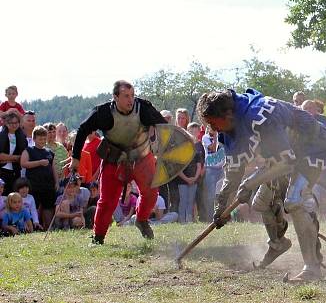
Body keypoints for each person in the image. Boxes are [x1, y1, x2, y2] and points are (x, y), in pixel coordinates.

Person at [197, 88, 326, 281]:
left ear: (227, 114)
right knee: (261, 203)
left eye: (212, 122)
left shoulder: (260, 114)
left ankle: (311, 268)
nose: (211, 128)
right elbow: (233, 172)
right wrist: (221, 206)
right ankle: (278, 243)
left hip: (313, 147)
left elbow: (285, 162)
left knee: (294, 201)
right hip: (286, 155)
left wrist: (250, 182)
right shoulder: (228, 127)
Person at [70, 80, 168, 245]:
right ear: (115, 97)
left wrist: (166, 147)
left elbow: (165, 128)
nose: (131, 100)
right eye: (126, 96)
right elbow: (82, 130)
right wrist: (75, 158)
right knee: (107, 201)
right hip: (114, 160)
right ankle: (98, 237)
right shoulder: (103, 112)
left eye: (132, 95)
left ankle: (142, 220)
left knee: (151, 192)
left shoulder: (143, 108)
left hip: (142, 157)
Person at [20, 126, 57, 230]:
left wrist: (56, 182)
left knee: (48, 207)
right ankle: (33, 227)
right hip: (34, 184)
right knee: (34, 207)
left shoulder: (49, 152)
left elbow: (53, 168)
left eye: (44, 139)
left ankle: (48, 228)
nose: (42, 141)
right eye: (40, 139)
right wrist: (39, 163)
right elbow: (23, 163)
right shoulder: (29, 150)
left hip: (48, 184)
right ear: (34, 139)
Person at [176, 123, 204, 224]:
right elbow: (178, 169)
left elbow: (199, 166)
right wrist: (186, 179)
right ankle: (181, 220)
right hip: (182, 181)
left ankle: (189, 220)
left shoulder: (197, 153)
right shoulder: (180, 153)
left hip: (194, 181)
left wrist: (195, 178)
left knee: (190, 201)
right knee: (183, 201)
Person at [199, 127, 225, 222]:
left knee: (222, 194)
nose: (213, 129)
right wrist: (215, 136)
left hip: (222, 169)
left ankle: (222, 216)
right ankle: (210, 218)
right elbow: (213, 149)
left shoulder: (222, 136)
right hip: (211, 169)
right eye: (211, 128)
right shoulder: (205, 138)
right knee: (210, 196)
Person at [0, 113, 27, 194]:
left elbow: (23, 156)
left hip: (15, 171)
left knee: (14, 196)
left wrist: (7, 158)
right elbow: (0, 156)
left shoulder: (22, 137)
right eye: (12, 123)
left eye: (16, 123)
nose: (14, 125)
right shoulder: (1, 136)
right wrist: (16, 158)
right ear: (6, 123)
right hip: (2, 171)